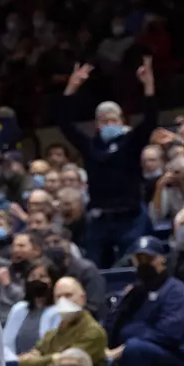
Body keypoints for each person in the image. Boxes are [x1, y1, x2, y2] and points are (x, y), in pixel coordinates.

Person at [54, 58, 159, 266]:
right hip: (100, 218)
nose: (110, 124)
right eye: (104, 120)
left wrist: (148, 86)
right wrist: (71, 87)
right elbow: (64, 124)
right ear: (97, 125)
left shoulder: (131, 142)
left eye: (114, 120)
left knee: (131, 264)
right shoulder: (90, 145)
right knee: (93, 264)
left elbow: (150, 121)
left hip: (130, 217)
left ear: (121, 122)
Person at [105, 237, 184, 366]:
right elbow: (115, 322)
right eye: (139, 259)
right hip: (129, 353)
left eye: (149, 258)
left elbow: (168, 334)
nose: (144, 263)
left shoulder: (178, 292)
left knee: (136, 349)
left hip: (176, 359)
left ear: (162, 260)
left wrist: (123, 349)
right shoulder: (134, 291)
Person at [14, 277, 106, 366]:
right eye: (58, 297)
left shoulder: (93, 332)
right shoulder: (51, 335)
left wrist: (38, 365)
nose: (63, 301)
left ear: (82, 299)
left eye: (68, 295)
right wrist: (53, 358)